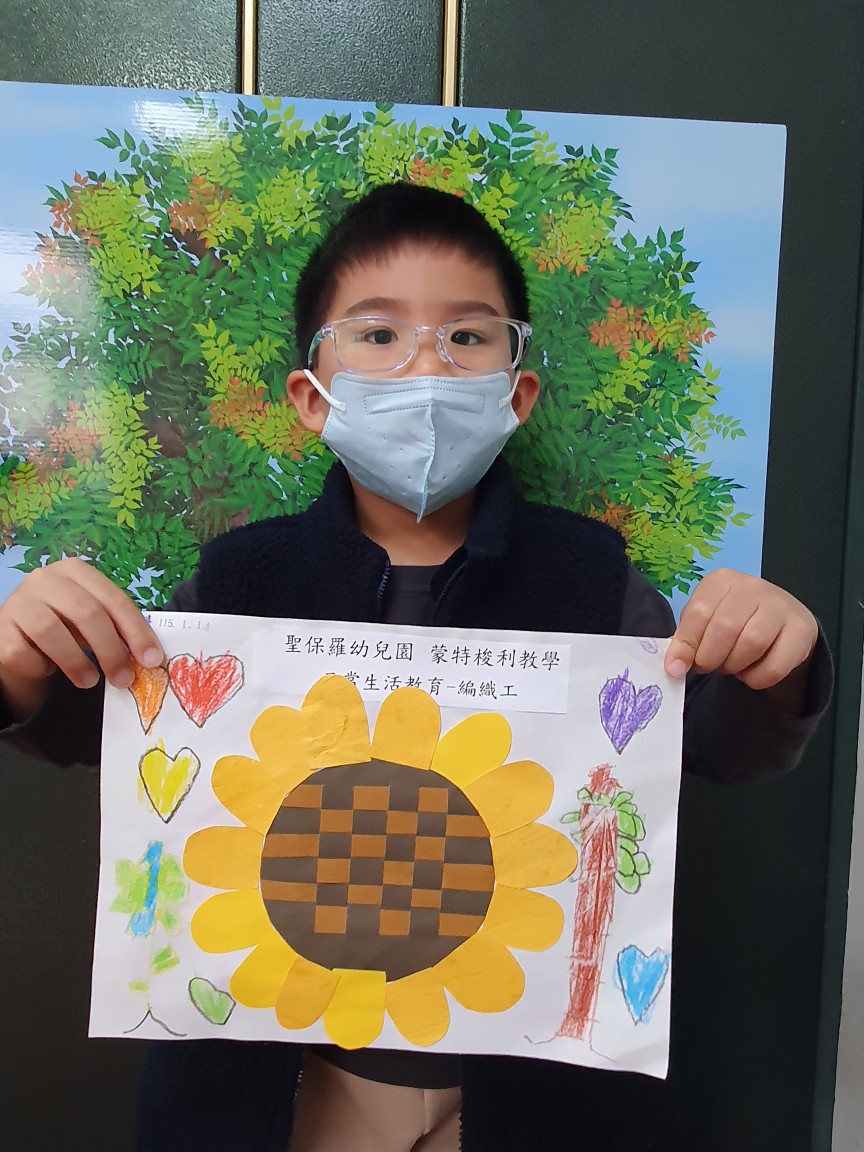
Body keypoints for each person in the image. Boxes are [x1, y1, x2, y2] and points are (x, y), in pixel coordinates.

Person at [0, 183, 831, 1152]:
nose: (427, 366)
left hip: (529, 1095)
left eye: (468, 338)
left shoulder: (595, 580)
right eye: (378, 335)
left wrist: (778, 657)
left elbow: (711, 745)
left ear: (517, 392)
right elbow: (115, 732)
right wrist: (21, 662)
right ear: (312, 398)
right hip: (285, 1084)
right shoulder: (237, 582)